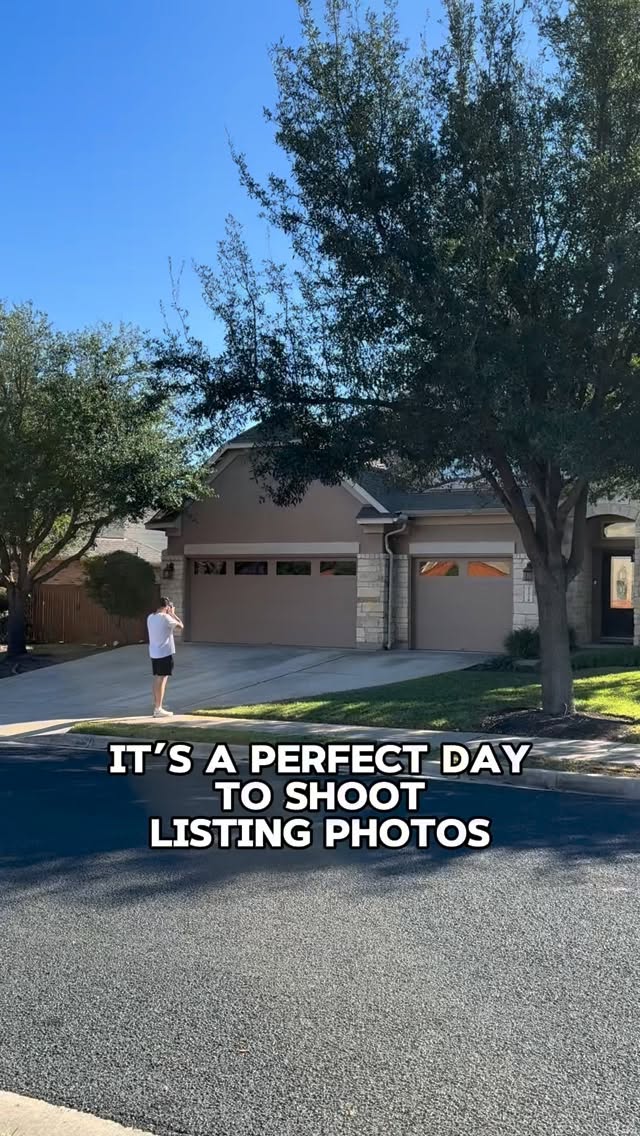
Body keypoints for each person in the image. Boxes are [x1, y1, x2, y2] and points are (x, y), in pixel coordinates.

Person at [147, 596, 183, 717]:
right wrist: (173, 614)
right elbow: (181, 626)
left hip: (154, 653)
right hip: (164, 653)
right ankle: (158, 708)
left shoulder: (150, 617)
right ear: (167, 606)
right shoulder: (166, 618)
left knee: (157, 678)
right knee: (162, 680)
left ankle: (157, 706)